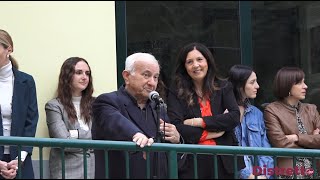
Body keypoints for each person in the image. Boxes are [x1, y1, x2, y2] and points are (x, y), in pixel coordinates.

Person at [92, 52, 182, 179]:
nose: (152, 83)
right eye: (146, 75)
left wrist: (177, 139)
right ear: (127, 76)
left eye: (155, 77)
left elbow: (171, 153)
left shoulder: (158, 107)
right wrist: (136, 135)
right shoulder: (107, 101)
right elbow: (115, 121)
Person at [166, 42, 244, 179]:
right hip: (192, 162)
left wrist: (198, 122)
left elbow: (233, 117)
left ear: (208, 61)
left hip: (224, 161)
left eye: (199, 59)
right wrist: (214, 132)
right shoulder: (176, 92)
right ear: (185, 67)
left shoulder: (224, 86)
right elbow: (177, 125)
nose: (195, 65)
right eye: (189, 62)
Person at [264, 67, 320, 179]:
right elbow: (280, 143)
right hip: (289, 173)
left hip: (315, 171)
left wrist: (296, 137)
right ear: (287, 85)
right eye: (300, 83)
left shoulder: (311, 109)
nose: (305, 86)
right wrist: (312, 140)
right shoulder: (272, 110)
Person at [45, 57, 95, 179]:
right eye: (79, 72)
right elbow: (63, 142)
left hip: (94, 169)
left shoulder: (97, 104)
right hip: (66, 171)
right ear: (67, 76)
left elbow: (102, 135)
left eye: (87, 73)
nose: (84, 77)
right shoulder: (54, 106)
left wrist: (74, 134)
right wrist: (91, 139)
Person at [0, 29, 39, 179]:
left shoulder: (26, 81)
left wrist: (20, 159)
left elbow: (31, 121)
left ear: (8, 48)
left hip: (21, 160)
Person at [228, 65, 274, 179]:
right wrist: (247, 175)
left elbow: (266, 149)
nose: (257, 86)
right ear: (239, 85)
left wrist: (264, 174)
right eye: (252, 82)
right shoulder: (224, 113)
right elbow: (226, 152)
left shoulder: (257, 114)